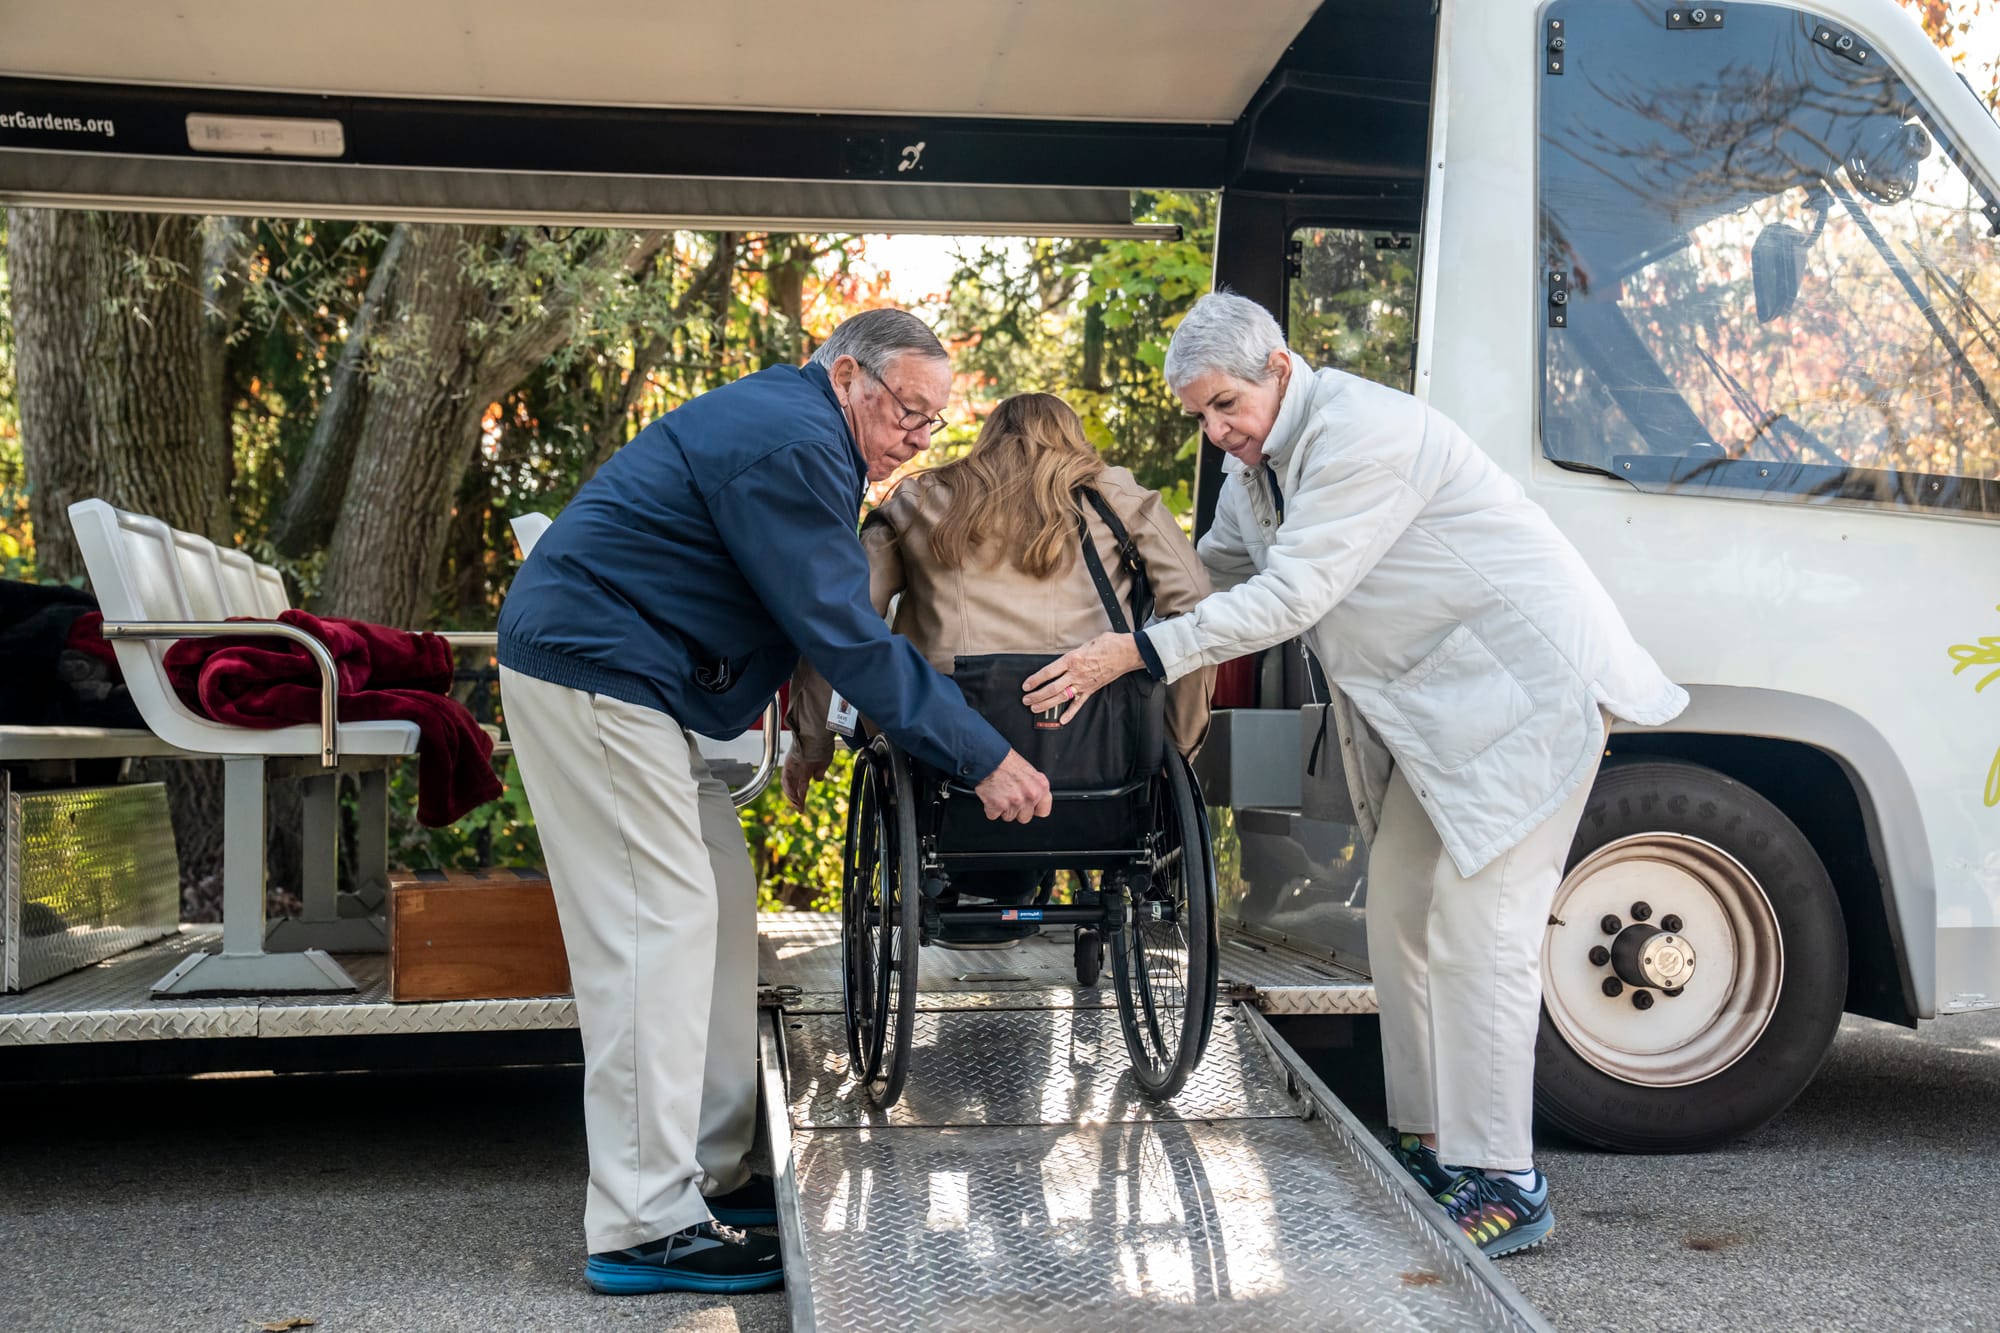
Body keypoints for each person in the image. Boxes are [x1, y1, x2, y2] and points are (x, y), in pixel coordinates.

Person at [1024, 290, 1687, 1258]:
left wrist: (1133, 655)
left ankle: (1507, 1179)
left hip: (1526, 694)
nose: (1216, 434)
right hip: (1442, 716)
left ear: (1278, 368)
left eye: (1224, 407)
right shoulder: (1256, 469)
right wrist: (1086, 622)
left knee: (1481, 931)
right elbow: (1207, 576)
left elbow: (1291, 595)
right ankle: (1431, 1142)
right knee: (1401, 915)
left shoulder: (1363, 433)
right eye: (1200, 417)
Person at [497, 309, 1053, 1296]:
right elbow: (842, 629)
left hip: (638, 682)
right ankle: (642, 1220)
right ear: (847, 378)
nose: (916, 438)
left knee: (717, 898)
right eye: (907, 412)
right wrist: (982, 754)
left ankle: (706, 1171)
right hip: (596, 671)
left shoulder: (803, 438)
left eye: (932, 422)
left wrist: (804, 730)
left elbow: (795, 611)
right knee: (657, 923)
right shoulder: (794, 442)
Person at [785, 393, 1214, 938]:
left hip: (947, 747)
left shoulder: (919, 500)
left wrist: (811, 743)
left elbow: (842, 621)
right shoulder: (1120, 499)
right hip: (1101, 748)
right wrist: (1173, 748)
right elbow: (1196, 614)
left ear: (987, 440)